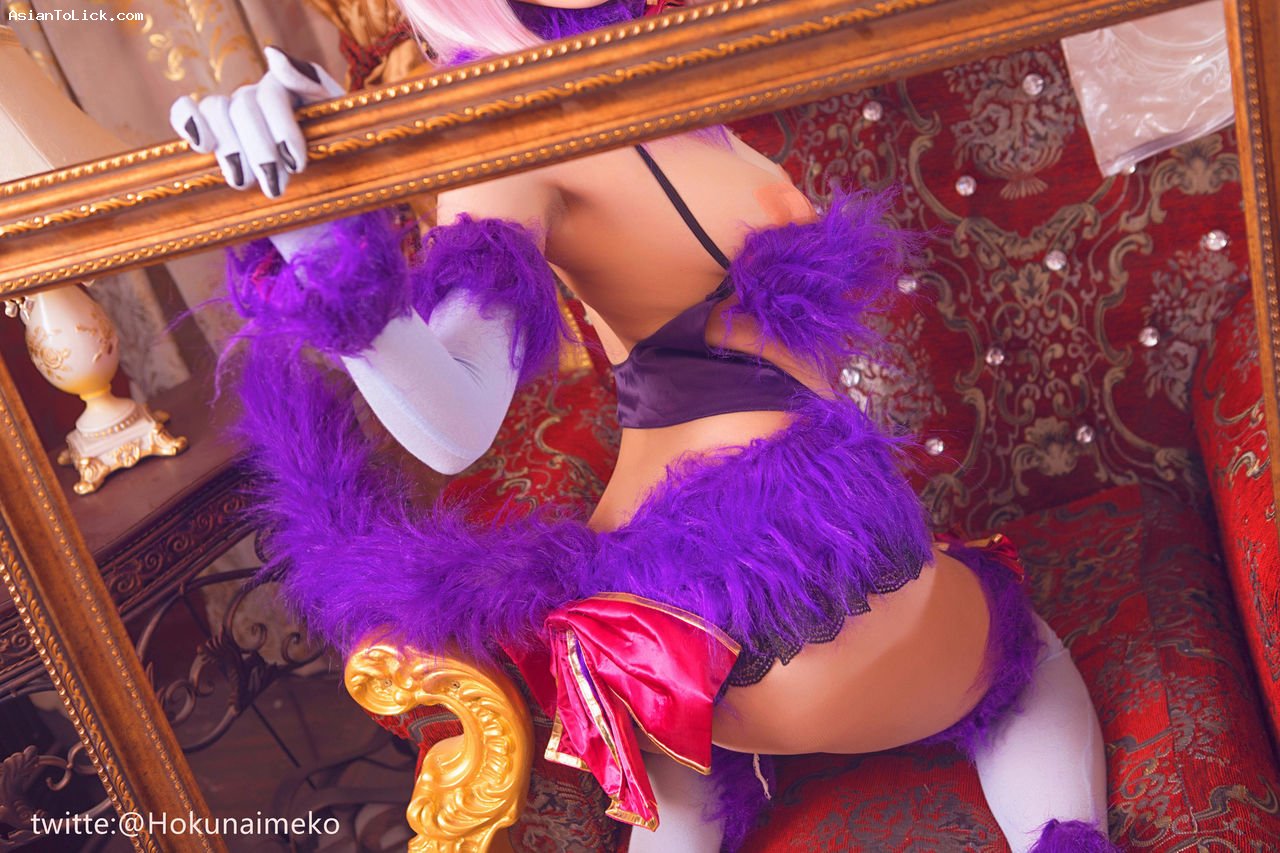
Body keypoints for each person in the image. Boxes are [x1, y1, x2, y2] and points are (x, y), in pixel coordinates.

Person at [169, 2, 1114, 850]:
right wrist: (328, 247)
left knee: (685, 772)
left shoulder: (646, 67)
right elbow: (457, 422)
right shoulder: (507, 132)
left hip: (654, 629)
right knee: (1020, 646)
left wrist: (327, 247)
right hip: (809, 567)